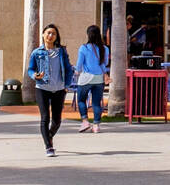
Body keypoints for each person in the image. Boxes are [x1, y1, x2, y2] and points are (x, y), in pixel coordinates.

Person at [25, 24, 72, 157]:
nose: (50, 36)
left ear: (56, 37)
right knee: (45, 117)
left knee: (57, 121)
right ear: (43, 35)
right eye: (48, 33)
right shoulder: (37, 52)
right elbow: (30, 69)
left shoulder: (61, 52)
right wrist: (34, 75)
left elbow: (68, 69)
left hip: (59, 89)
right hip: (42, 88)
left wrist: (66, 85)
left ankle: (49, 135)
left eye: (53, 34)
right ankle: (48, 147)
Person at [74, 24, 108, 134]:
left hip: (86, 78)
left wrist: (76, 71)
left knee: (81, 100)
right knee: (96, 103)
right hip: (99, 79)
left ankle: (85, 121)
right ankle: (96, 125)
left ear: (88, 35)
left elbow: (79, 65)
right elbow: (105, 63)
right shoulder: (105, 49)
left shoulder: (84, 48)